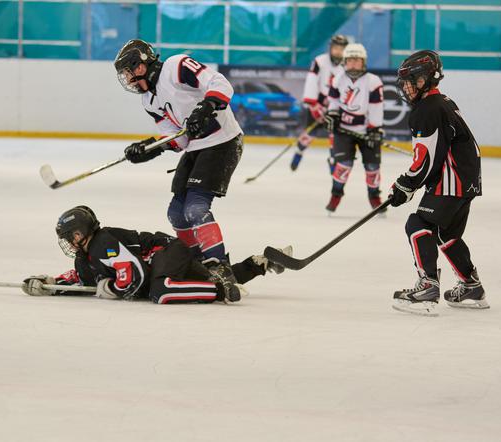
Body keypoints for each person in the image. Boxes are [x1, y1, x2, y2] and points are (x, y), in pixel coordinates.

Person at [113, 39, 243, 287]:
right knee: (176, 213)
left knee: (195, 209)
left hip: (222, 142)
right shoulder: (148, 101)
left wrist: (206, 106)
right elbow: (181, 139)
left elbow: (220, 84)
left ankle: (219, 266)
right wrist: (150, 148)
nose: (128, 79)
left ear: (141, 64)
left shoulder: (176, 66)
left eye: (129, 72)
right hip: (196, 148)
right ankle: (197, 263)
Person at [21, 206, 291, 305]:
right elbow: (82, 280)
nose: (70, 241)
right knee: (205, 277)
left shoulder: (103, 243)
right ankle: (261, 263)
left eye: (72, 235)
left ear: (83, 231)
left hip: (166, 251)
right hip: (163, 262)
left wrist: (110, 287)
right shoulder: (85, 256)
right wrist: (49, 285)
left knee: (160, 291)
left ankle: (221, 292)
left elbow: (135, 278)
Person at [389, 50, 488, 316]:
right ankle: (471, 286)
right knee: (448, 234)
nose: (406, 87)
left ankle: (427, 286)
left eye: (412, 80)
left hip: (451, 179)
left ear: (426, 79)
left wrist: (404, 185)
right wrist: (410, 184)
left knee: (417, 224)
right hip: (465, 180)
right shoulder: (442, 102)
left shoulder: (427, 109)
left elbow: (426, 161)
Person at [323, 43, 385, 213]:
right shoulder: (338, 79)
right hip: (344, 131)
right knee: (343, 163)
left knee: (373, 167)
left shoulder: (373, 81)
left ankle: (374, 197)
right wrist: (333, 115)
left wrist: (374, 129)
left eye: (356, 60)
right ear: (344, 61)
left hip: (367, 131)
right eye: (350, 60)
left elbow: (376, 107)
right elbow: (334, 102)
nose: (353, 64)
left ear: (363, 62)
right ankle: (335, 195)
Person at [291, 34, 348, 172]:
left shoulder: (348, 64)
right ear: (331, 48)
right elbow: (311, 81)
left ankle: (333, 160)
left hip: (335, 105)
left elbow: (349, 87)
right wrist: (313, 105)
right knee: (309, 134)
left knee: (335, 135)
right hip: (318, 104)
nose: (338, 51)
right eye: (336, 48)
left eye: (341, 49)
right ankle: (299, 151)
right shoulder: (319, 61)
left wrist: (340, 105)